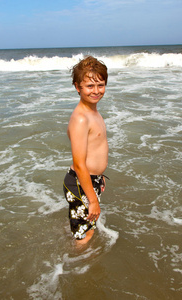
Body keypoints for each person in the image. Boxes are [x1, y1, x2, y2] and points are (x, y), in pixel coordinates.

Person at [63, 56, 109, 245]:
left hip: (91, 181)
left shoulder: (93, 111)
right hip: (80, 183)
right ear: (77, 87)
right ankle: (78, 269)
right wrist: (93, 200)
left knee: (87, 226)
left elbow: (95, 150)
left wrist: (100, 176)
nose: (96, 91)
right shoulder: (81, 118)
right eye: (90, 86)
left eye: (101, 85)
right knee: (84, 235)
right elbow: (80, 164)